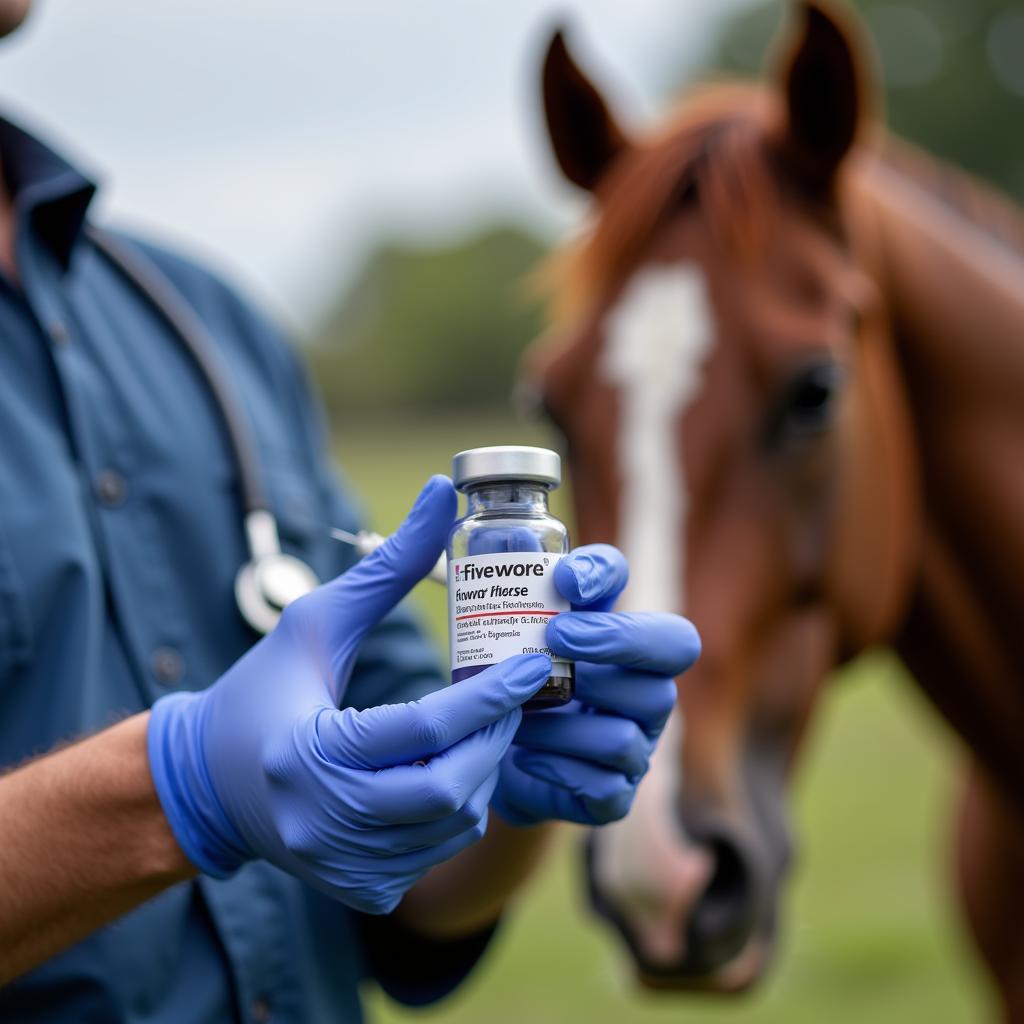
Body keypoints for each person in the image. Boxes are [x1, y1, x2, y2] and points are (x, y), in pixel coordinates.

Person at [0, 3, 700, 1021]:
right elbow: (225, 786)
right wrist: (176, 788)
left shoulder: (203, 324)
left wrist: (507, 777)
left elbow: (414, 892)